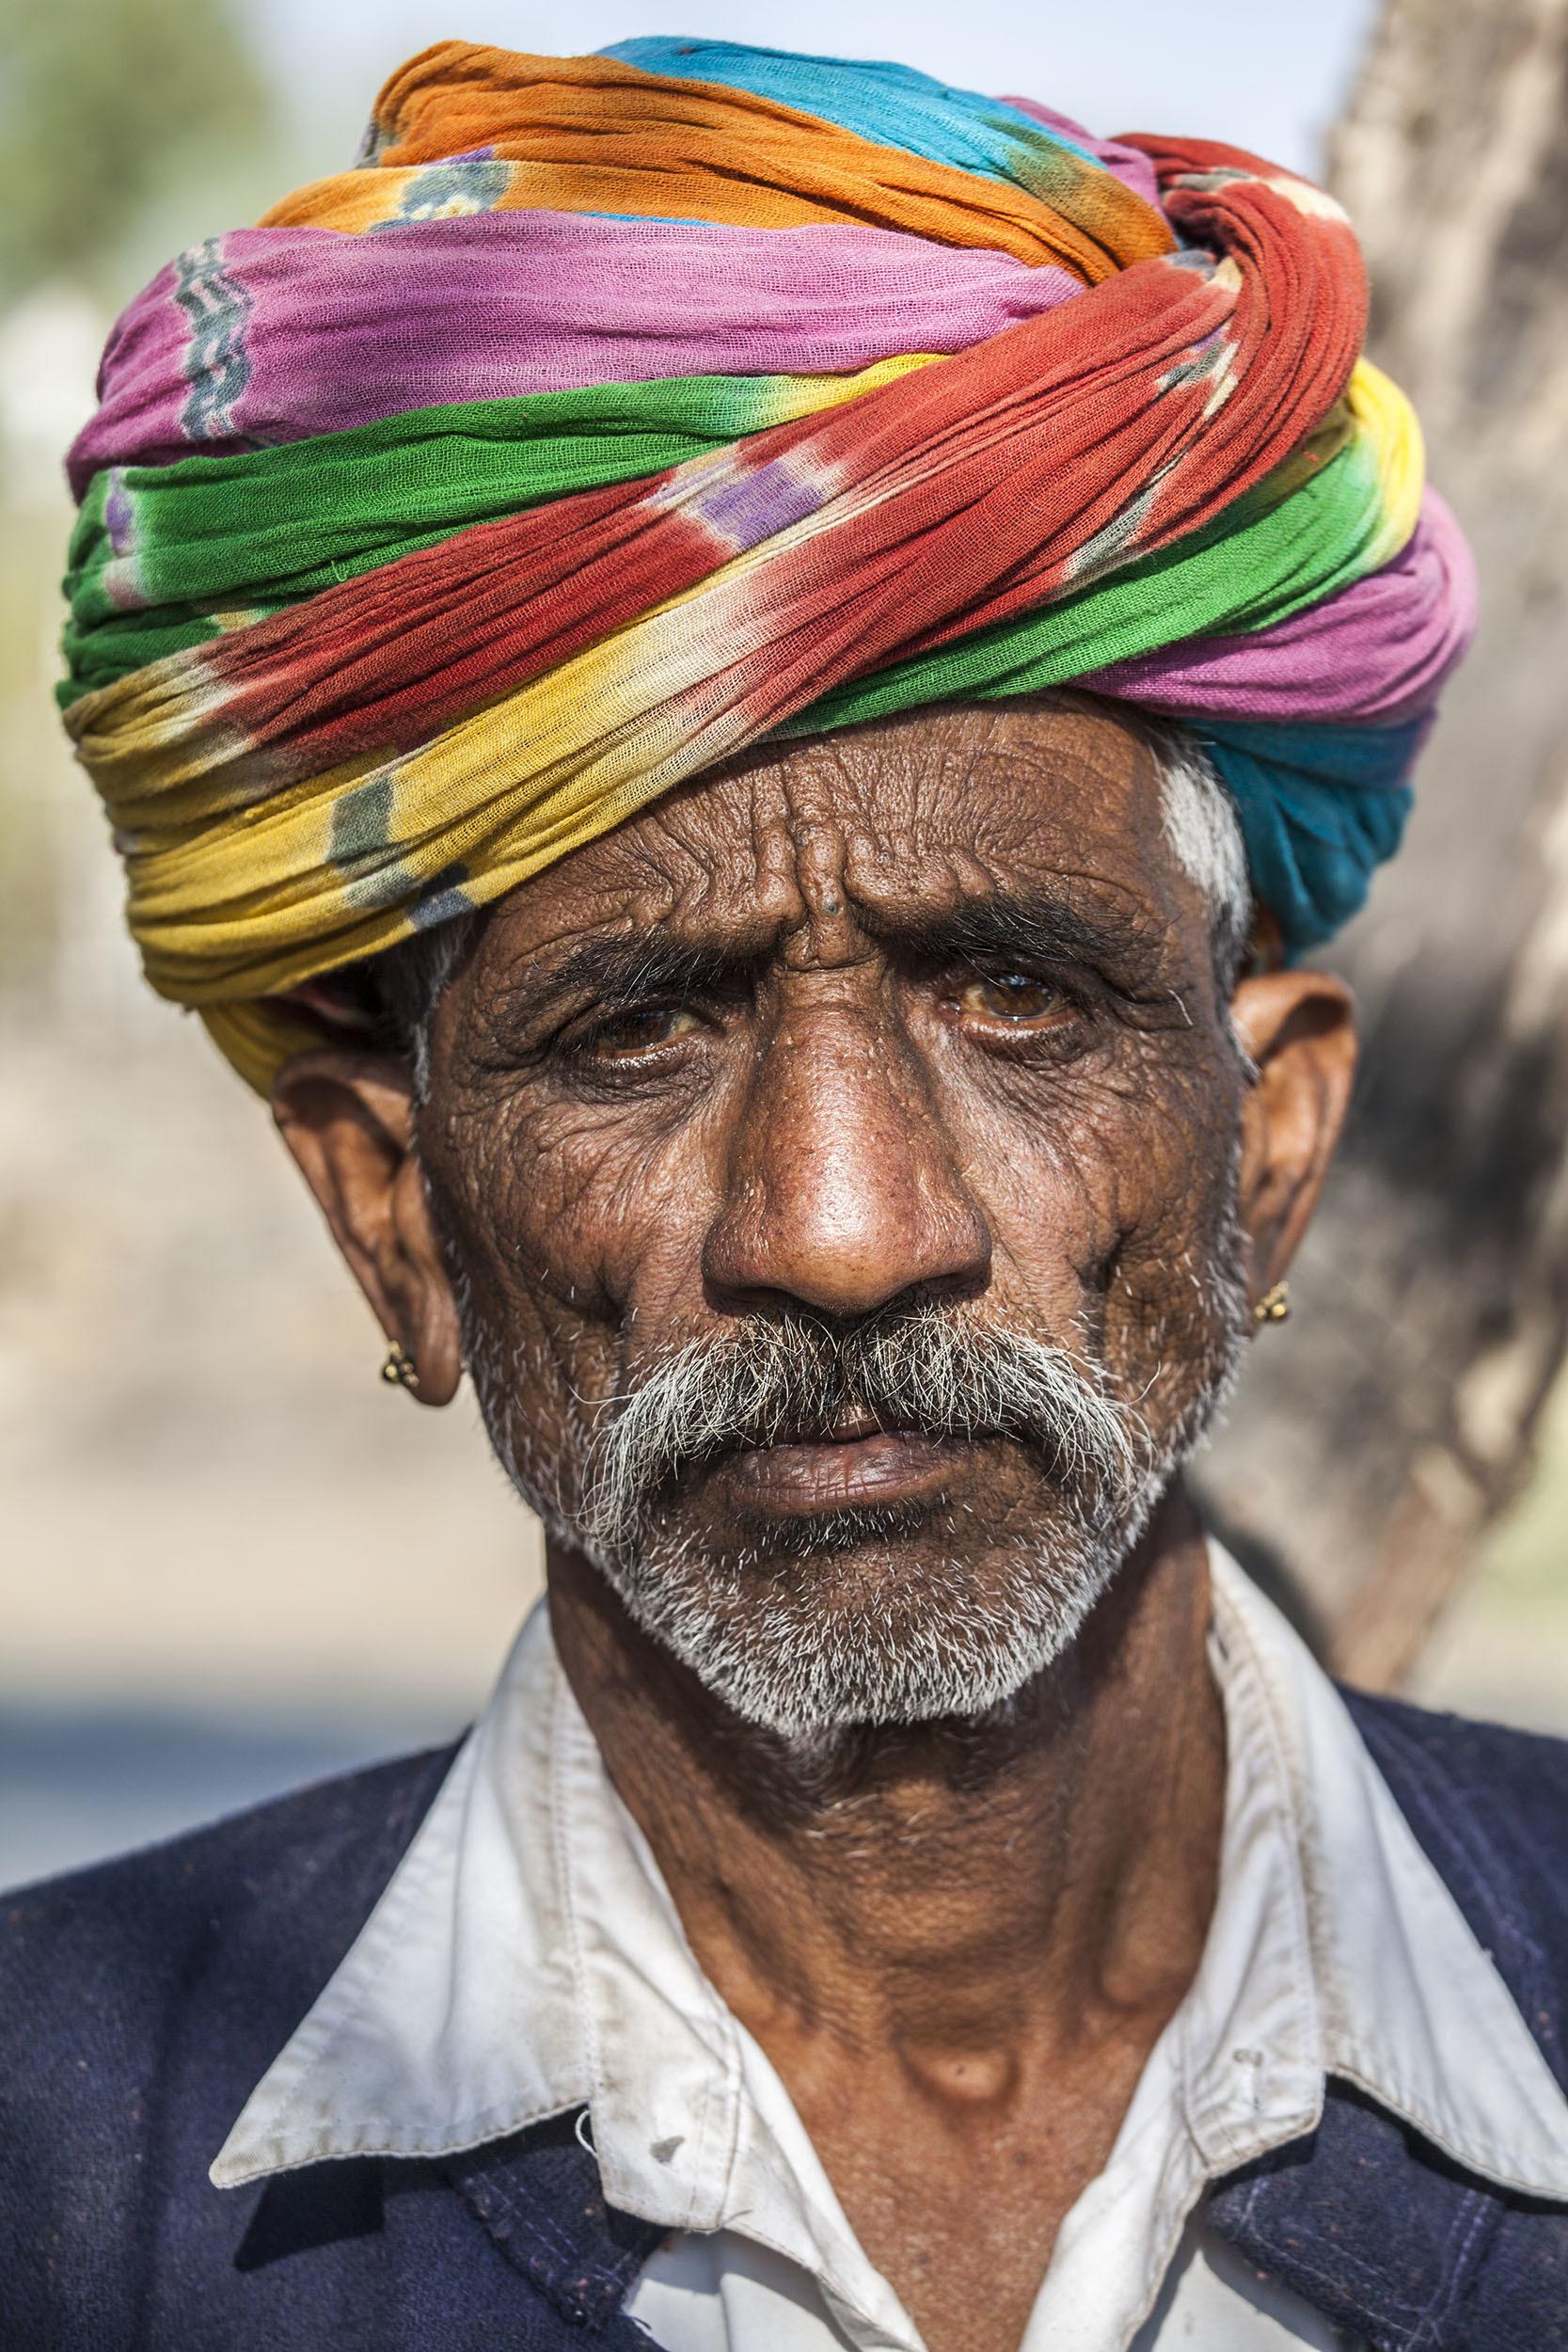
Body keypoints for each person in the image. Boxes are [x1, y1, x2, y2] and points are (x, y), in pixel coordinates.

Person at [5, 35, 1566, 2352]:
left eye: (1016, 994)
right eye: (637, 1029)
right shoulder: (60, 2169)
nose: (842, 1226)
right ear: (391, 1212)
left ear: (1280, 1149)